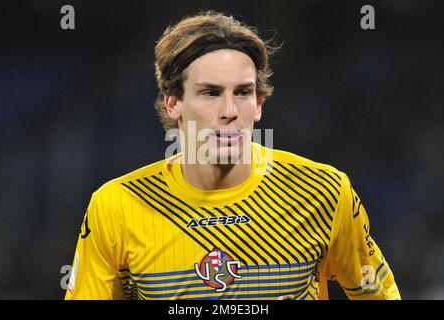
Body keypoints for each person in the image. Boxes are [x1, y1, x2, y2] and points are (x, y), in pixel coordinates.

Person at [65, 11, 400, 300]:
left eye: (243, 93)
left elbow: (380, 293)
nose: (229, 110)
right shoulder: (115, 207)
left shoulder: (324, 191)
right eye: (210, 93)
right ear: (173, 103)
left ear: (258, 105)